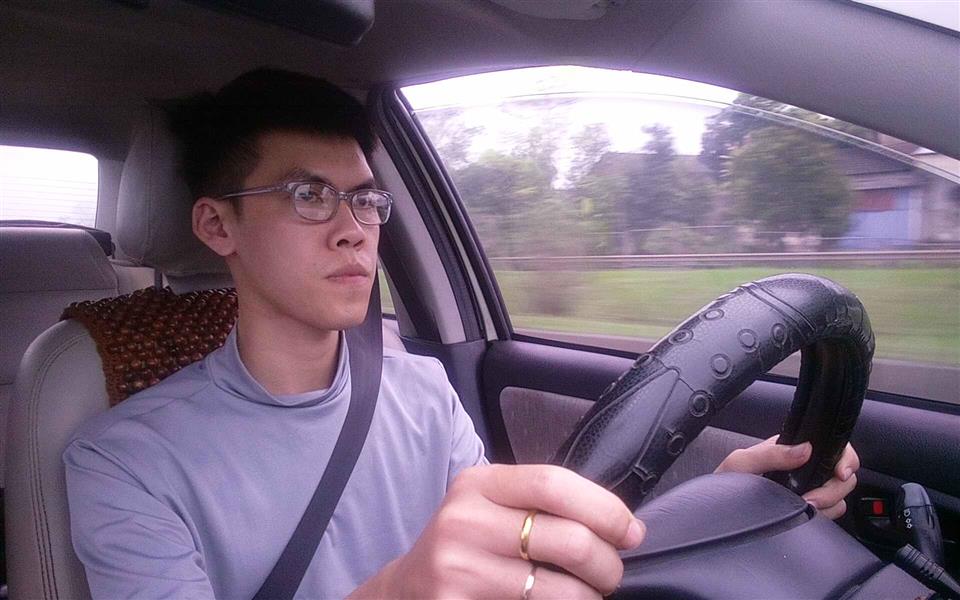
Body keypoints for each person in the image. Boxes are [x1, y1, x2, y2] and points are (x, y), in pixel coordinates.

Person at [63, 68, 859, 599]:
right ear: (217, 225)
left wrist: (724, 497)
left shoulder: (420, 390)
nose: (354, 230)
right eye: (309, 196)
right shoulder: (124, 461)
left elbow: (516, 562)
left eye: (365, 200)